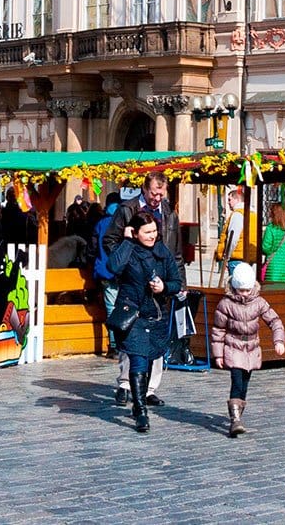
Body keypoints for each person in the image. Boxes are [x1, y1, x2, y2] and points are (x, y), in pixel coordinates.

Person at [102, 173, 182, 406]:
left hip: (159, 283)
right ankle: (125, 384)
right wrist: (125, 263)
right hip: (133, 282)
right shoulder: (127, 209)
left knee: (157, 335)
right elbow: (110, 240)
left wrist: (178, 285)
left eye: (162, 193)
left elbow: (174, 253)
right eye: (154, 193)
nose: (158, 198)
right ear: (145, 190)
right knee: (130, 330)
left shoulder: (169, 213)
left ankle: (150, 389)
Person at [109, 211, 184, 434]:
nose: (152, 236)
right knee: (139, 360)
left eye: (154, 231)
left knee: (151, 358)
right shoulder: (128, 249)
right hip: (133, 315)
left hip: (156, 315)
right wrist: (126, 240)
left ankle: (140, 399)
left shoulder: (163, 253)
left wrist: (164, 287)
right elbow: (113, 266)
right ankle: (140, 410)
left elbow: (176, 282)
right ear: (136, 232)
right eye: (147, 232)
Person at [210, 260, 285, 438]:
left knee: (244, 383)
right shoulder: (226, 304)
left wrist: (278, 341)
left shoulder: (258, 302)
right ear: (234, 287)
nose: (244, 294)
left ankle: (238, 415)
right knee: (236, 380)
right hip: (233, 346)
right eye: (240, 290)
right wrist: (218, 354)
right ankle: (235, 420)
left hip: (251, 347)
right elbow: (218, 330)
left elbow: (275, 321)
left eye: (247, 290)